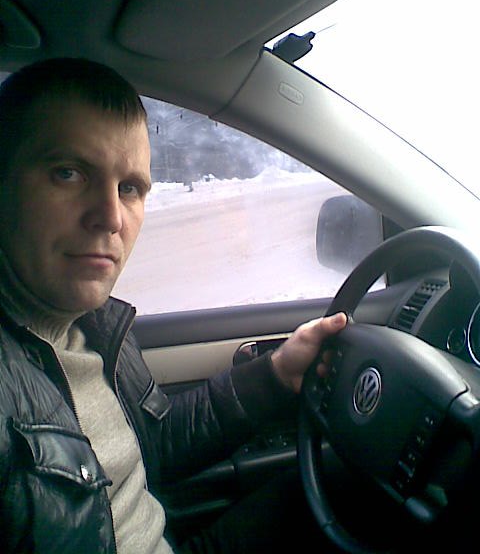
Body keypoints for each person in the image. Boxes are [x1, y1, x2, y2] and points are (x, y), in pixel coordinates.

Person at [0, 58, 347, 554]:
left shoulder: (92, 326)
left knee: (334, 490)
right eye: (68, 173)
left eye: (129, 188)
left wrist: (275, 375)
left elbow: (152, 446)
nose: (111, 217)